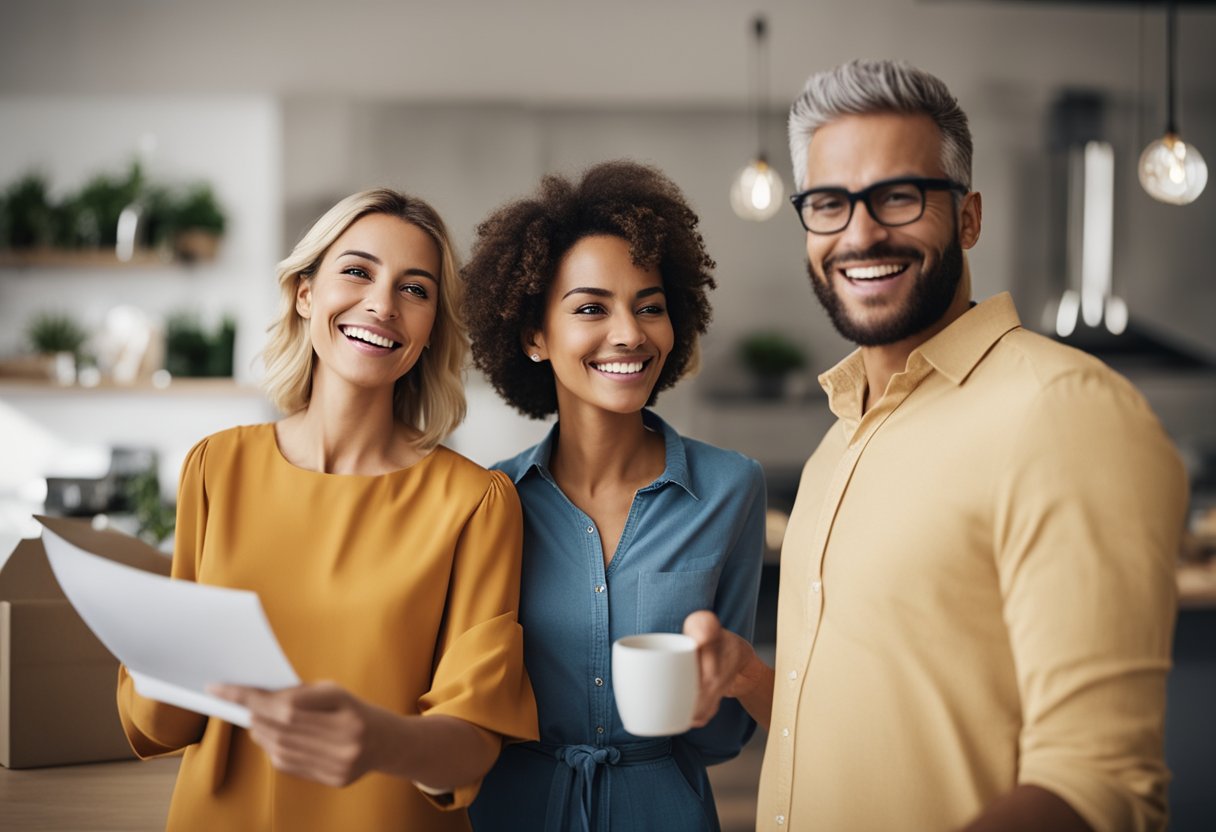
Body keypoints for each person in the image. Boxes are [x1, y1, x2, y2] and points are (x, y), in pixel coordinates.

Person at [686, 60, 1189, 831]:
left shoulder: (1062, 412)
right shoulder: (838, 445)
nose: (860, 233)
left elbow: (1100, 787)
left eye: (898, 195)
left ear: (969, 218)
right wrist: (749, 675)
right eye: (828, 203)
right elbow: (871, 715)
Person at [116, 189, 538, 831]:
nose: (382, 304)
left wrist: (380, 742)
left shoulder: (474, 502)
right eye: (357, 271)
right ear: (306, 293)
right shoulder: (216, 467)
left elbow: (475, 741)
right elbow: (164, 722)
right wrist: (144, 645)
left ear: (430, 332)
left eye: (415, 290)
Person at [460, 160, 766, 832]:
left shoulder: (730, 488)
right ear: (535, 336)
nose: (629, 333)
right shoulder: (490, 501)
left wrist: (728, 678)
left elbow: (723, 739)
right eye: (592, 308)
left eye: (649, 306)